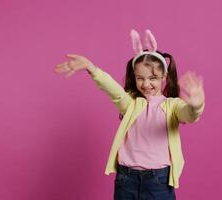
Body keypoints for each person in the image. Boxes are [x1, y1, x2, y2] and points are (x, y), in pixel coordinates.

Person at [55, 29, 206, 200]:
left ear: (164, 76)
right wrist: (92, 68)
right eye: (140, 78)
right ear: (134, 77)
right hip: (126, 180)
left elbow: (189, 114)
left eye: (153, 78)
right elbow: (115, 91)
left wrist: (196, 105)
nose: (146, 84)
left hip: (159, 182)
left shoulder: (172, 106)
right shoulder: (131, 104)